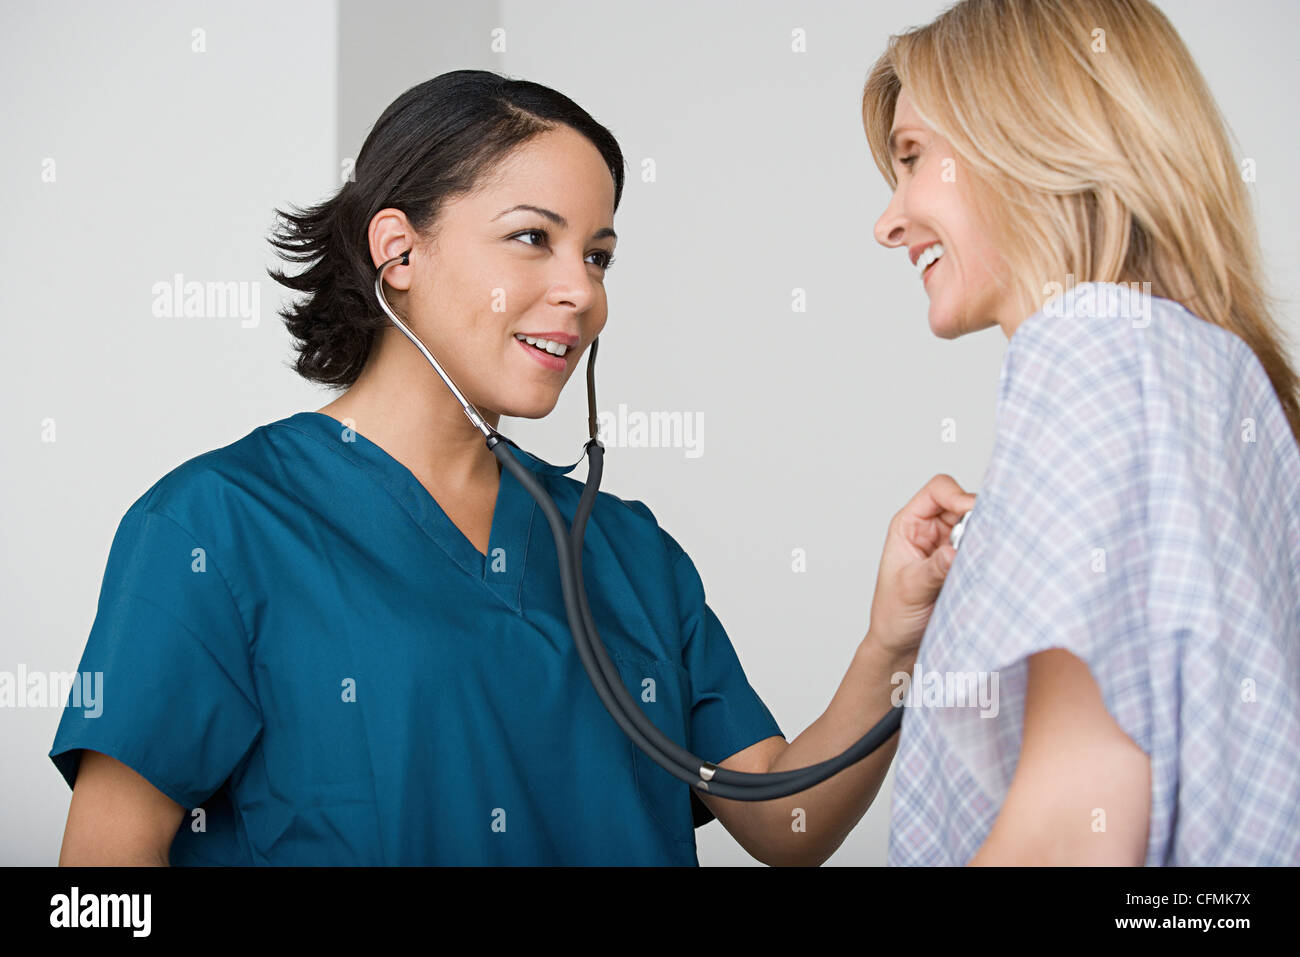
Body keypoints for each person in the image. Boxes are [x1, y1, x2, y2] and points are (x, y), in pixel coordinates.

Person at [50, 69, 974, 866]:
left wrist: (892, 643)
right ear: (398, 250)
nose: (583, 290)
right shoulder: (217, 525)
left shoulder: (626, 547)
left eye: (599, 254)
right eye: (534, 237)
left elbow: (787, 820)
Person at [864, 0, 1300, 865]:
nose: (889, 222)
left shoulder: (1088, 345)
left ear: (1031, 136)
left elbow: (1074, 825)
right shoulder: (1223, 378)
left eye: (912, 158)